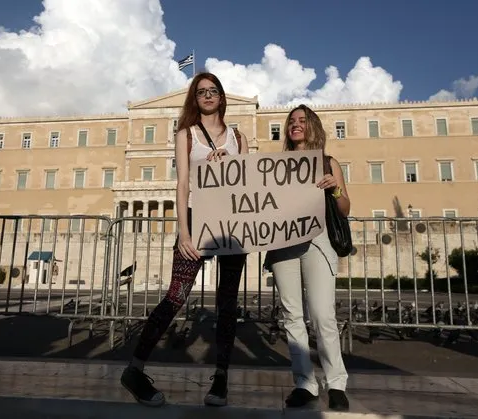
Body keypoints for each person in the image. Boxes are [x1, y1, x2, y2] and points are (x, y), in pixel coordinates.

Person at [120, 72, 249, 408]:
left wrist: (229, 167)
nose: (207, 95)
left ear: (222, 97)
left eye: (213, 90)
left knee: (227, 303)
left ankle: (220, 378)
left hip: (232, 222)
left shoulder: (238, 136)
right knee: (175, 296)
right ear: (195, 98)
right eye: (201, 91)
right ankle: (135, 369)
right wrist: (184, 233)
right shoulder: (186, 134)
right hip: (197, 217)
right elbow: (181, 184)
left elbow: (248, 184)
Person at [264, 104, 350, 411]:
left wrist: (335, 189)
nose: (295, 125)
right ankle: (305, 383)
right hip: (283, 242)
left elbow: (345, 209)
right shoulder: (275, 166)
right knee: (291, 316)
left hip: (318, 240)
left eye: (301, 121)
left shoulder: (328, 162)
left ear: (312, 126)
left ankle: (336, 382)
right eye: (291, 122)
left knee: (322, 315)